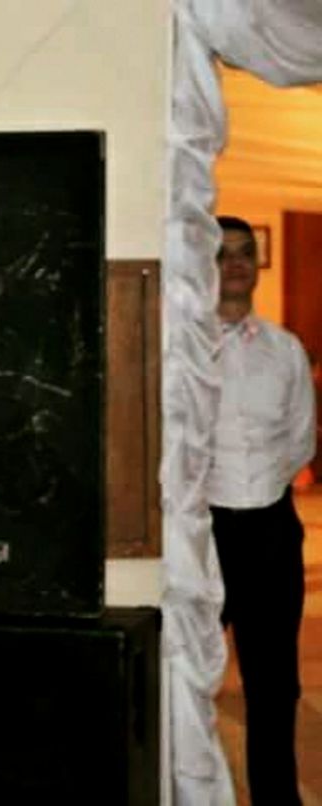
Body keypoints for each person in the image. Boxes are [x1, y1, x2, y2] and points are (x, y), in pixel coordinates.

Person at [208, 215, 316, 805]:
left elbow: (300, 439)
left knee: (274, 685)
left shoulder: (286, 350)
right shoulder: (184, 352)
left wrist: (263, 490)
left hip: (272, 530)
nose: (236, 263)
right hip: (203, 533)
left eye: (245, 252)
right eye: (223, 253)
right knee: (188, 677)